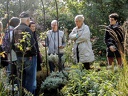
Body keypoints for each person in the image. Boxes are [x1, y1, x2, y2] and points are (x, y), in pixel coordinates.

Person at [12, 12, 37, 95]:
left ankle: (21, 93)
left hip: (19, 57)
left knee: (21, 78)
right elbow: (32, 44)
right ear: (27, 20)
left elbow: (12, 44)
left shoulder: (15, 29)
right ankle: (29, 94)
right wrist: (34, 53)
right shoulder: (27, 29)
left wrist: (17, 53)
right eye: (29, 20)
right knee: (30, 80)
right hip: (29, 57)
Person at [2, 17, 20, 84]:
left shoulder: (7, 30)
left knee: (9, 72)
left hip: (7, 53)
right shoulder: (13, 31)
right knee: (14, 73)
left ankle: (8, 88)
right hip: (13, 54)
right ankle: (14, 88)